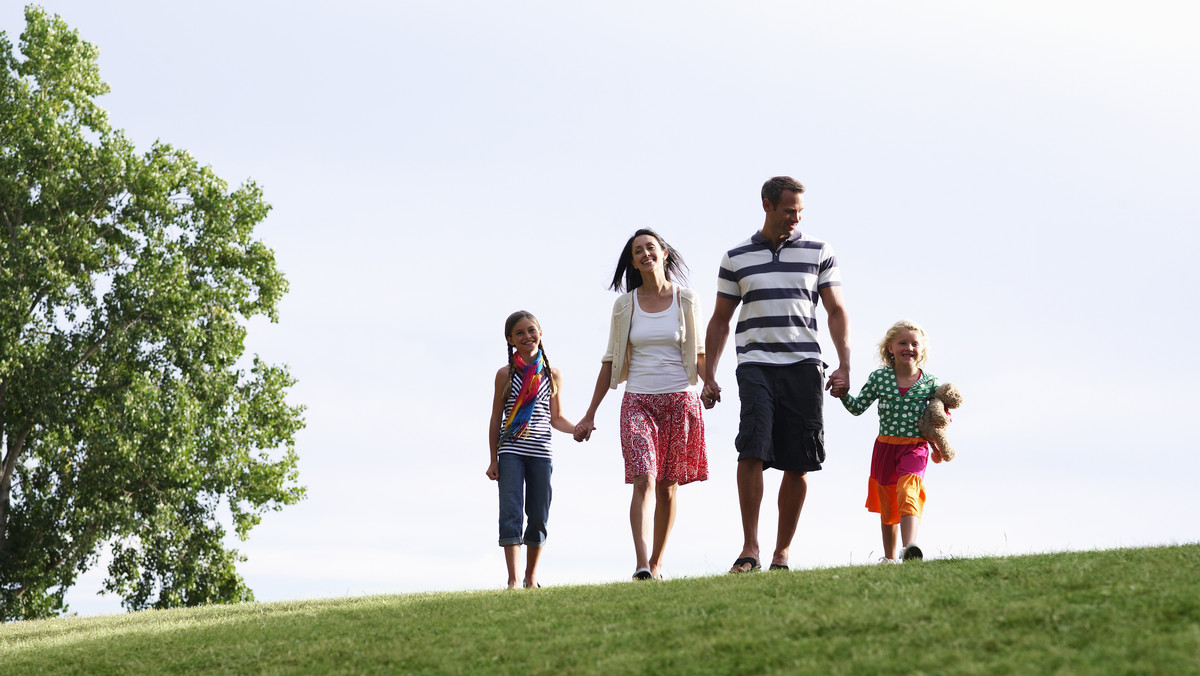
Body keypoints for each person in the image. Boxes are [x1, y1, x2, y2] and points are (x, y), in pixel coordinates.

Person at [702, 176, 850, 573]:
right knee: (752, 448)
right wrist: (709, 375)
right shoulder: (736, 257)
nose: (795, 218)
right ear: (766, 205)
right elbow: (719, 320)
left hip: (804, 364)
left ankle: (782, 552)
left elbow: (836, 311)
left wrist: (844, 363)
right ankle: (750, 547)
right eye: (788, 211)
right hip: (755, 365)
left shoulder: (820, 251)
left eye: (800, 211)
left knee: (798, 460)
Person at [575, 229, 708, 581]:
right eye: (638, 251)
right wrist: (590, 414)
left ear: (663, 253)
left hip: (680, 399)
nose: (645, 254)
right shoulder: (624, 305)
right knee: (644, 477)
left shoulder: (687, 299)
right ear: (633, 262)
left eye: (651, 247)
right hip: (638, 401)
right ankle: (642, 564)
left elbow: (698, 352)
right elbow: (610, 360)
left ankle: (659, 561)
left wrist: (710, 382)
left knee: (667, 486)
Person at [829, 320, 941, 562]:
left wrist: (942, 422)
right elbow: (858, 407)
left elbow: (939, 411)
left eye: (915, 344)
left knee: (908, 490)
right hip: (885, 448)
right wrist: (842, 395)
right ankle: (889, 558)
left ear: (922, 350)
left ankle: (911, 546)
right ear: (890, 348)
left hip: (915, 448)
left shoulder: (930, 382)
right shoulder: (880, 377)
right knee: (889, 504)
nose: (909, 348)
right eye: (903, 343)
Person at [487, 311, 576, 589]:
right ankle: (513, 580)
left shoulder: (553, 374)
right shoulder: (505, 374)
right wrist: (493, 459)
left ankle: (531, 577)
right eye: (520, 333)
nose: (527, 337)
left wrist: (577, 429)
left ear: (540, 333)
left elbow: (557, 417)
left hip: (541, 454)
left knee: (538, 513)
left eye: (531, 330)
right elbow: (495, 418)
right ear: (510, 340)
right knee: (511, 511)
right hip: (511, 451)